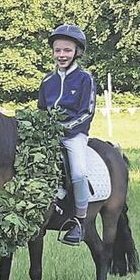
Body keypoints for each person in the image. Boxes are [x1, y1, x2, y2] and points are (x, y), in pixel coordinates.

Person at [38, 24, 96, 246]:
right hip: (48, 136)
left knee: (79, 173)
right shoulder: (47, 81)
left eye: (67, 50)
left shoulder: (85, 79)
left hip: (74, 135)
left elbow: (87, 112)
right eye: (58, 50)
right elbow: (42, 110)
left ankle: (80, 221)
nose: (61, 55)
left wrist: (64, 129)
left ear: (77, 52)